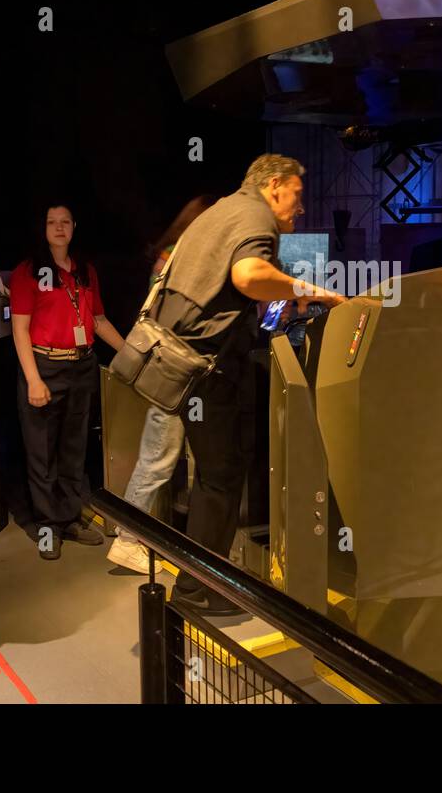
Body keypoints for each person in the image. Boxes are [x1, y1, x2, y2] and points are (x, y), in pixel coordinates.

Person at [152, 154, 346, 615]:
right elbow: (248, 275)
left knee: (218, 476)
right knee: (219, 481)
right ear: (275, 184)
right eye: (297, 194)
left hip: (187, 364)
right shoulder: (255, 214)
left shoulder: (222, 209)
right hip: (210, 369)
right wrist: (313, 291)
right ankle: (199, 591)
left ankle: (205, 581)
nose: (300, 207)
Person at [107, 195, 217, 574]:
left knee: (170, 458)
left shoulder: (173, 252)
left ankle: (160, 534)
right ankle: (126, 539)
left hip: (176, 374)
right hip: (175, 374)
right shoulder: (182, 256)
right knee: (158, 460)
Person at [11, 203, 125, 560]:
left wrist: (131, 354)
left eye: (65, 222)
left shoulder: (84, 271)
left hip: (82, 366)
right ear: (42, 228)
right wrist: (33, 379)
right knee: (42, 452)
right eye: (51, 222)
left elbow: (98, 319)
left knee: (74, 449)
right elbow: (20, 328)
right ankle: (48, 526)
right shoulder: (28, 272)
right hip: (45, 366)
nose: (59, 228)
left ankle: (71, 517)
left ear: (74, 227)